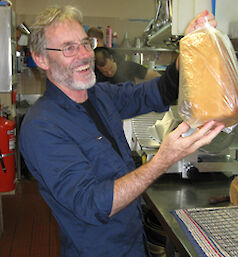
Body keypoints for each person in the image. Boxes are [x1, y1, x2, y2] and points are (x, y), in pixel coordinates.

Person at [19, 5, 223, 257]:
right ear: (41, 59)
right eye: (69, 48)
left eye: (85, 44)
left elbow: (155, 93)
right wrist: (163, 160)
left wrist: (187, 53)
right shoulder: (41, 127)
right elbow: (93, 203)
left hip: (134, 242)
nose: (84, 55)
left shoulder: (99, 96)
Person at [94, 46, 161, 84]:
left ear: (112, 58)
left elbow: (153, 75)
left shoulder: (128, 67)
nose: (109, 73)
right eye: (104, 72)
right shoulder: (96, 77)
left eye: (110, 68)